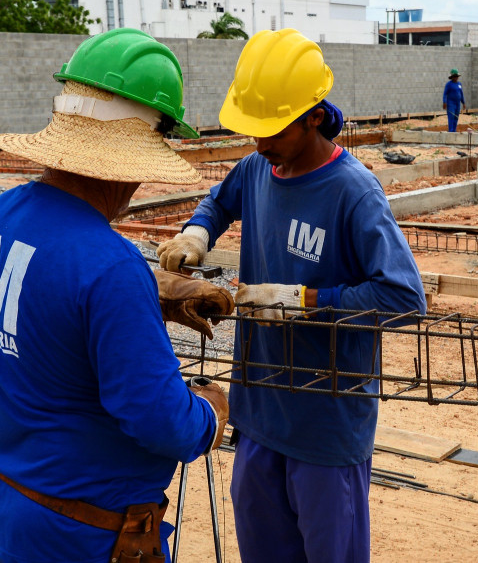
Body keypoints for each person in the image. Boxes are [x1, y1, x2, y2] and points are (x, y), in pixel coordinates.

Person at [157, 28, 428, 563]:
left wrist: (302, 302)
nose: (259, 144)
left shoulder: (353, 191)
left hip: (325, 428)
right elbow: (219, 199)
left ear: (312, 115)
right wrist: (197, 232)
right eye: (251, 130)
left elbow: (402, 297)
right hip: (258, 414)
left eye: (272, 130)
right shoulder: (258, 169)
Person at [0, 28, 234, 563]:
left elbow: (55, 296)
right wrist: (211, 410)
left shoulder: (1, 218)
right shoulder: (109, 268)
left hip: (1, 502)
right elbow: (163, 423)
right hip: (81, 533)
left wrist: (149, 293)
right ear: (132, 158)